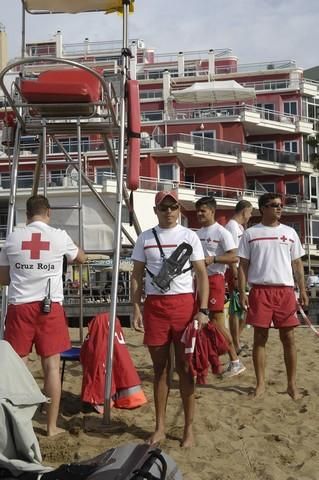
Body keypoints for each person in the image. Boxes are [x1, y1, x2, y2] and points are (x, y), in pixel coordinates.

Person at [0, 195, 87, 436]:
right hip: (50, 307)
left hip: (20, 307)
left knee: (17, 368)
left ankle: (18, 426)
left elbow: (3, 278)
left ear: (27, 214)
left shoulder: (13, 237)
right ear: (48, 212)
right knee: (51, 367)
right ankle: (51, 426)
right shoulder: (59, 236)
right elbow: (81, 258)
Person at [131, 190, 209, 448]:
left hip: (183, 306)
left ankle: (188, 428)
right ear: (156, 211)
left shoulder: (190, 236)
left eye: (173, 207)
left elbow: (201, 274)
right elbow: (137, 275)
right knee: (160, 369)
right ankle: (160, 427)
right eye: (163, 208)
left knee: (186, 369)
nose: (169, 212)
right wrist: (136, 307)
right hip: (155, 307)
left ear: (179, 209)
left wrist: (203, 309)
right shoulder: (145, 238)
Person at [238, 192, 308, 399]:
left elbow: (297, 263)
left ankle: (291, 385)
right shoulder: (250, 233)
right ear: (263, 209)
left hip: (285, 290)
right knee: (260, 337)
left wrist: (302, 289)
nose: (279, 208)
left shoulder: (290, 233)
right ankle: (260, 384)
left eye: (280, 205)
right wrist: (242, 292)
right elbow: (243, 265)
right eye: (274, 205)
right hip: (260, 290)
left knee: (289, 337)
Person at [195, 196, 246, 377]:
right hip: (198, 281)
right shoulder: (197, 233)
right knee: (198, 322)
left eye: (203, 210)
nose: (199, 214)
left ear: (212, 211)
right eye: (198, 210)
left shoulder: (222, 232)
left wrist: (214, 259)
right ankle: (206, 360)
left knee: (217, 322)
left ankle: (235, 361)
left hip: (215, 279)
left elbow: (234, 257)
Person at [225, 200, 253, 353]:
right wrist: (235, 273)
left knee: (246, 308)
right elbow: (231, 252)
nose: (250, 216)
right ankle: (234, 344)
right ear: (244, 211)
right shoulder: (231, 227)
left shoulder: (240, 227)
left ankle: (235, 339)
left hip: (242, 270)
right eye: (249, 212)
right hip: (234, 270)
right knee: (236, 309)